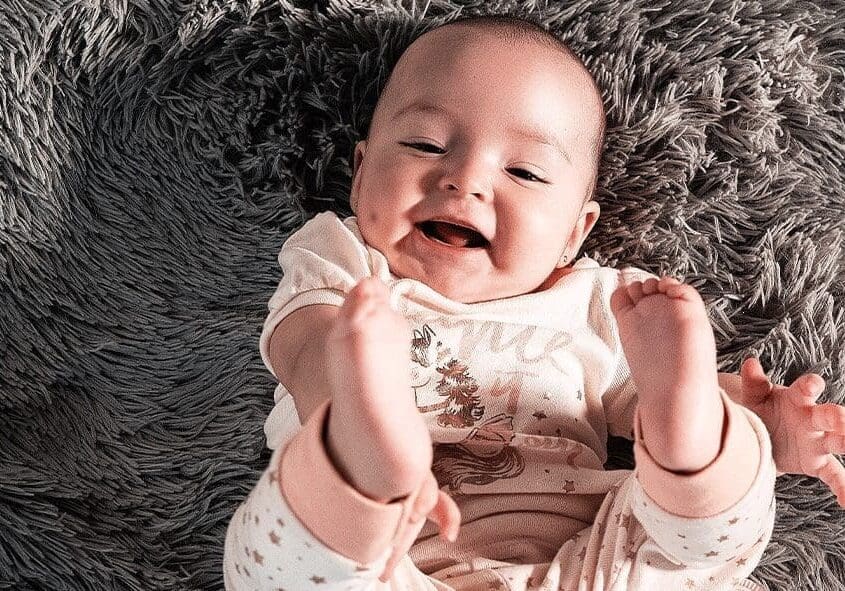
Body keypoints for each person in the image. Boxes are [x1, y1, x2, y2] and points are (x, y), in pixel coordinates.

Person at [223, 14, 844, 591]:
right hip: (387, 557)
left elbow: (637, 405)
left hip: (586, 558)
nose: (464, 181)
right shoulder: (349, 262)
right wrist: (346, 399)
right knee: (294, 551)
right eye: (425, 145)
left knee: (695, 543)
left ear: (575, 232)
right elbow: (305, 346)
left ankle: (702, 451)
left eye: (524, 173)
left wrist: (750, 419)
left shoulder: (606, 303)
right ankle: (360, 465)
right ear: (360, 175)